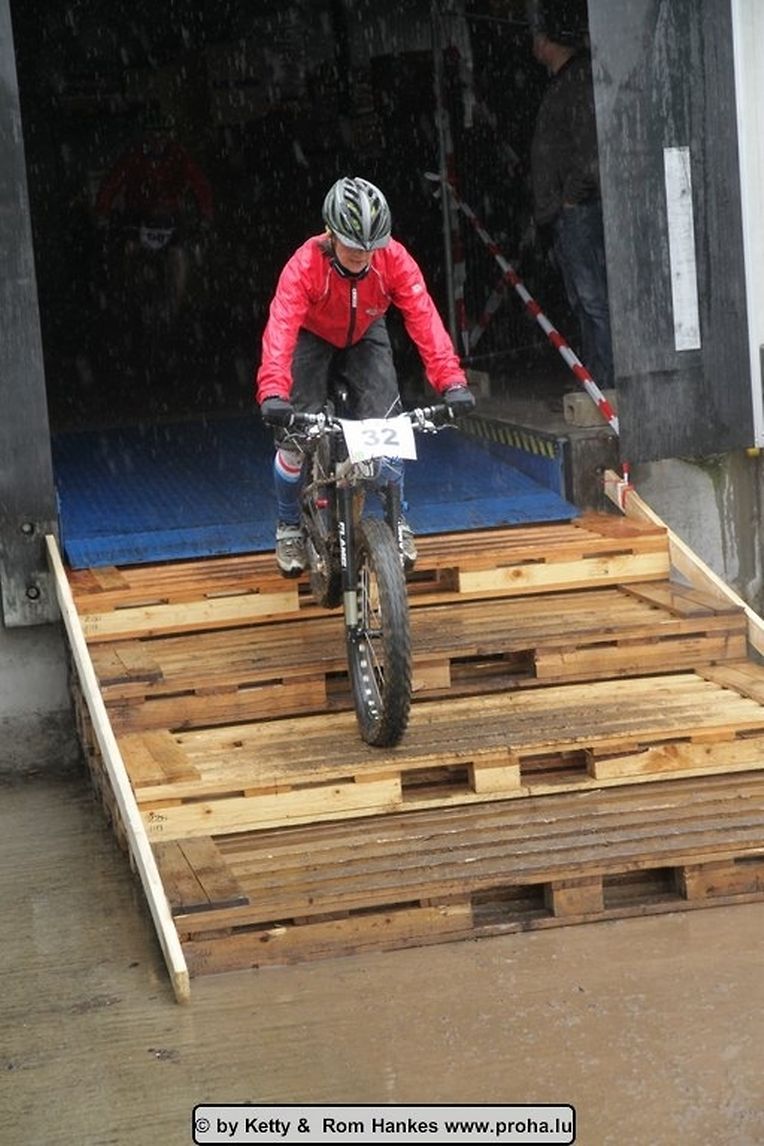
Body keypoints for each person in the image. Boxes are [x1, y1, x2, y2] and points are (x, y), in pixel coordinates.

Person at [256, 175, 475, 576]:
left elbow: (423, 317)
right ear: (330, 233)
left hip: (365, 331)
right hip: (311, 332)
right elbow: (282, 326)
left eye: (371, 246)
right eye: (353, 245)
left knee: (388, 428)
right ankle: (288, 525)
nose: (363, 254)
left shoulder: (394, 259)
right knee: (294, 440)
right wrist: (273, 390)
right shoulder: (304, 264)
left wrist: (451, 381)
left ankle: (396, 517)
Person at [529, 2, 614, 390]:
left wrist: (571, 199)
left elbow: (589, 153)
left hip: (578, 211)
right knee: (584, 300)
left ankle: (605, 383)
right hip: (569, 212)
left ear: (548, 42)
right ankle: (597, 380)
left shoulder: (576, 83)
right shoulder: (567, 82)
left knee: (593, 300)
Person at [94, 106, 214, 315]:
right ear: (145, 136)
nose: (157, 140)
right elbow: (111, 184)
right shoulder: (133, 156)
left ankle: (177, 305)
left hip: (170, 217)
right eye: (153, 134)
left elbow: (199, 184)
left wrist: (206, 215)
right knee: (128, 250)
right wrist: (102, 212)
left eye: (162, 134)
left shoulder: (178, 156)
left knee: (179, 255)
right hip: (137, 215)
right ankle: (127, 298)